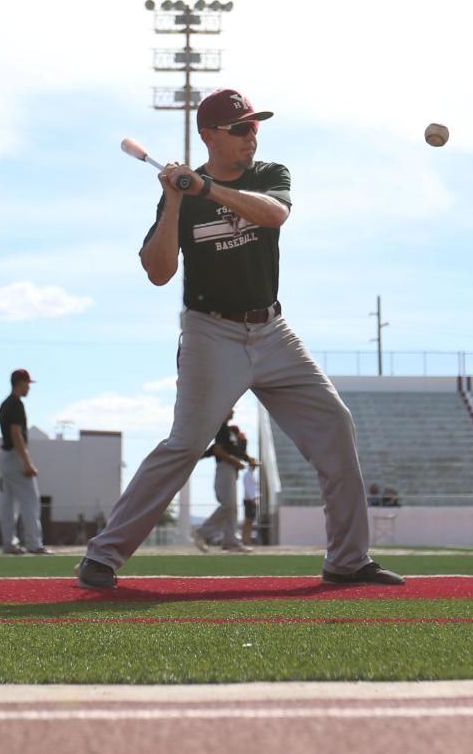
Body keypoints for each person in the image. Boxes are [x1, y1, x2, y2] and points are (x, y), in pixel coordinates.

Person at [77, 88, 403, 589]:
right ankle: (104, 555)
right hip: (211, 332)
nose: (253, 135)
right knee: (184, 445)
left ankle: (347, 560)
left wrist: (204, 188)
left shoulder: (269, 175)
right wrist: (172, 201)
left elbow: (274, 215)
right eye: (242, 128)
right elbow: (158, 272)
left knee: (335, 423)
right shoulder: (182, 196)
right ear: (211, 136)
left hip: (272, 330)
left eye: (255, 126)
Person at [0, 369, 53, 555]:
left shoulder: (4, 404)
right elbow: (16, 434)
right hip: (15, 456)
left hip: (5, 456)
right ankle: (34, 543)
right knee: (30, 501)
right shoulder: (16, 404)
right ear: (20, 383)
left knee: (8, 504)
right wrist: (27, 462)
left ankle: (9, 543)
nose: (29, 387)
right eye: (27, 383)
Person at [193, 413, 249, 552]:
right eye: (231, 408)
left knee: (232, 508)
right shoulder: (222, 428)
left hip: (231, 470)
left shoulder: (230, 431)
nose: (233, 411)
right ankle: (202, 532)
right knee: (228, 506)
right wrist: (235, 461)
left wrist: (246, 458)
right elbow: (217, 450)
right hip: (225, 468)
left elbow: (236, 452)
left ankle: (230, 541)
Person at [241, 456, 260, 546]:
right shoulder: (247, 475)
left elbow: (254, 488)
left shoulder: (253, 474)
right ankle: (244, 539)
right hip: (249, 500)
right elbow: (248, 488)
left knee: (251, 520)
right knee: (248, 520)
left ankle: (247, 538)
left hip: (252, 500)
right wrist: (253, 499)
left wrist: (256, 498)